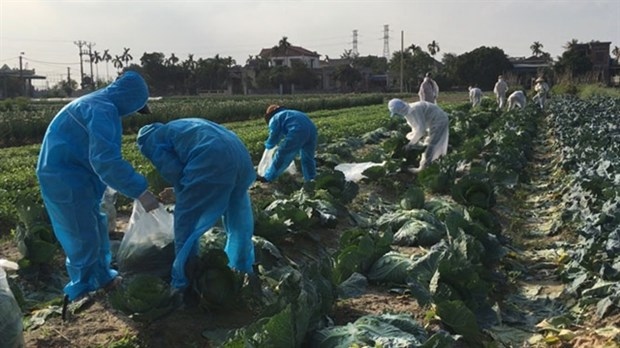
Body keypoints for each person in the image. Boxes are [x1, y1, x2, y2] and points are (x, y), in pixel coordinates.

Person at [36, 71, 159, 307]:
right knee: (80, 233)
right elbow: (106, 161)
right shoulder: (102, 111)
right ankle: (81, 288)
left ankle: (102, 277)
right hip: (64, 177)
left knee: (95, 225)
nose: (132, 112)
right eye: (136, 107)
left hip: (78, 175)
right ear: (131, 99)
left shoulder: (99, 104)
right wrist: (140, 191)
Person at [136, 118, 256, 291]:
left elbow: (174, 171)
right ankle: (242, 265)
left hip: (211, 159)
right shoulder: (182, 125)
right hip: (240, 156)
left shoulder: (151, 140)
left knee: (186, 221)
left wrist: (179, 192)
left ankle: (184, 280)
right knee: (238, 214)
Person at [257, 105, 318, 183]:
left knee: (282, 155)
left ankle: (268, 178)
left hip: (297, 131)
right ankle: (311, 180)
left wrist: (268, 146)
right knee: (307, 158)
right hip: (312, 131)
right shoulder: (290, 112)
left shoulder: (275, 118)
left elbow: (274, 136)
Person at [388, 98, 450, 172]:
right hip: (432, 123)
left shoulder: (414, 110)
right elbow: (416, 128)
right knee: (428, 143)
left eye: (396, 113)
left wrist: (411, 144)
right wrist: (412, 139)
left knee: (431, 145)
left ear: (399, 111)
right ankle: (433, 162)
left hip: (439, 122)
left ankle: (423, 168)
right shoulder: (408, 112)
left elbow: (421, 130)